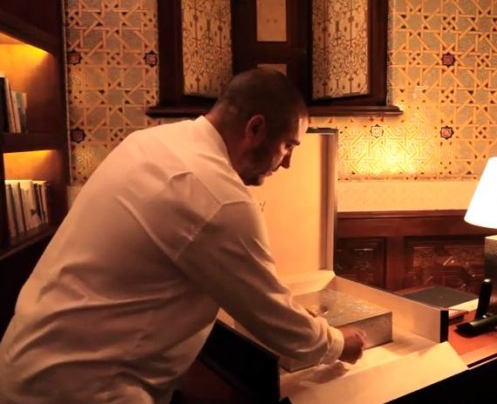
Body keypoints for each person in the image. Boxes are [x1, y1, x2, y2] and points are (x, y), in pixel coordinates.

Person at [0, 68, 366, 403]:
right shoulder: (218, 196)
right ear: (255, 128)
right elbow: (273, 318)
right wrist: (339, 344)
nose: (287, 162)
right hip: (84, 388)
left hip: (24, 362)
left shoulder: (149, 142)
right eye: (288, 145)